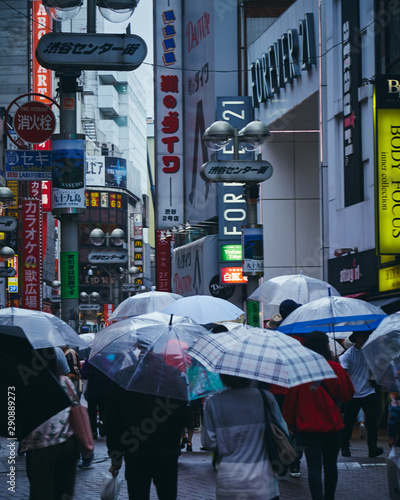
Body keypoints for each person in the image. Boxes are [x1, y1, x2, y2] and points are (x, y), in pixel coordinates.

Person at [283, 331, 355, 500]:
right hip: (333, 426)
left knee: (314, 467)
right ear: (326, 346)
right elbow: (347, 395)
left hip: (308, 427)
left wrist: (290, 423)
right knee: (331, 466)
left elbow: (291, 400)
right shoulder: (335, 368)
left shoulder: (300, 370)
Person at [202, 374, 287, 500]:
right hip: (263, 482)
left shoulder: (213, 402)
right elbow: (282, 431)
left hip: (228, 482)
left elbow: (209, 442)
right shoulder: (266, 398)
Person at [106, 384, 190, 500]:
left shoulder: (123, 381)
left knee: (137, 494)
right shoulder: (174, 379)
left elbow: (113, 422)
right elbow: (185, 418)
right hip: (166, 452)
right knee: (167, 494)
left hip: (135, 451)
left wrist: (115, 457)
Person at [19, 347, 80, 500]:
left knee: (41, 491)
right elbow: (76, 408)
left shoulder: (28, 384)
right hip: (66, 444)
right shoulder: (64, 380)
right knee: (64, 492)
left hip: (40, 446)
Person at [339, 330, 384, 458]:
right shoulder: (348, 354)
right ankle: (345, 447)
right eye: (363, 336)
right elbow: (343, 373)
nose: (366, 338)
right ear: (357, 337)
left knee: (372, 421)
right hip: (352, 393)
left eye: (367, 336)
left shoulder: (371, 352)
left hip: (369, 391)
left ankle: (372, 447)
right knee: (347, 422)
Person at [81, 358, 112, 440]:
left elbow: (84, 375)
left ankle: (93, 432)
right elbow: (110, 375)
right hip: (104, 391)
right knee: (104, 410)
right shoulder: (105, 360)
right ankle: (102, 423)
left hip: (91, 391)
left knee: (92, 412)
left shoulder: (88, 361)